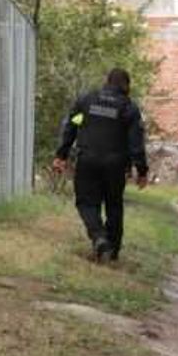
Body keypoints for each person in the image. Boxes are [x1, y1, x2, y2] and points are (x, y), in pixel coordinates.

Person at [53, 68, 149, 262]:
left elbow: (71, 126)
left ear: (107, 81)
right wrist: (141, 170)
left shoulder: (86, 100)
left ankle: (99, 237)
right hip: (116, 165)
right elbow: (136, 143)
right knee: (114, 205)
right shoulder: (128, 107)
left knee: (86, 202)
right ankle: (111, 250)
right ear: (126, 86)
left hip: (87, 160)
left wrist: (61, 155)